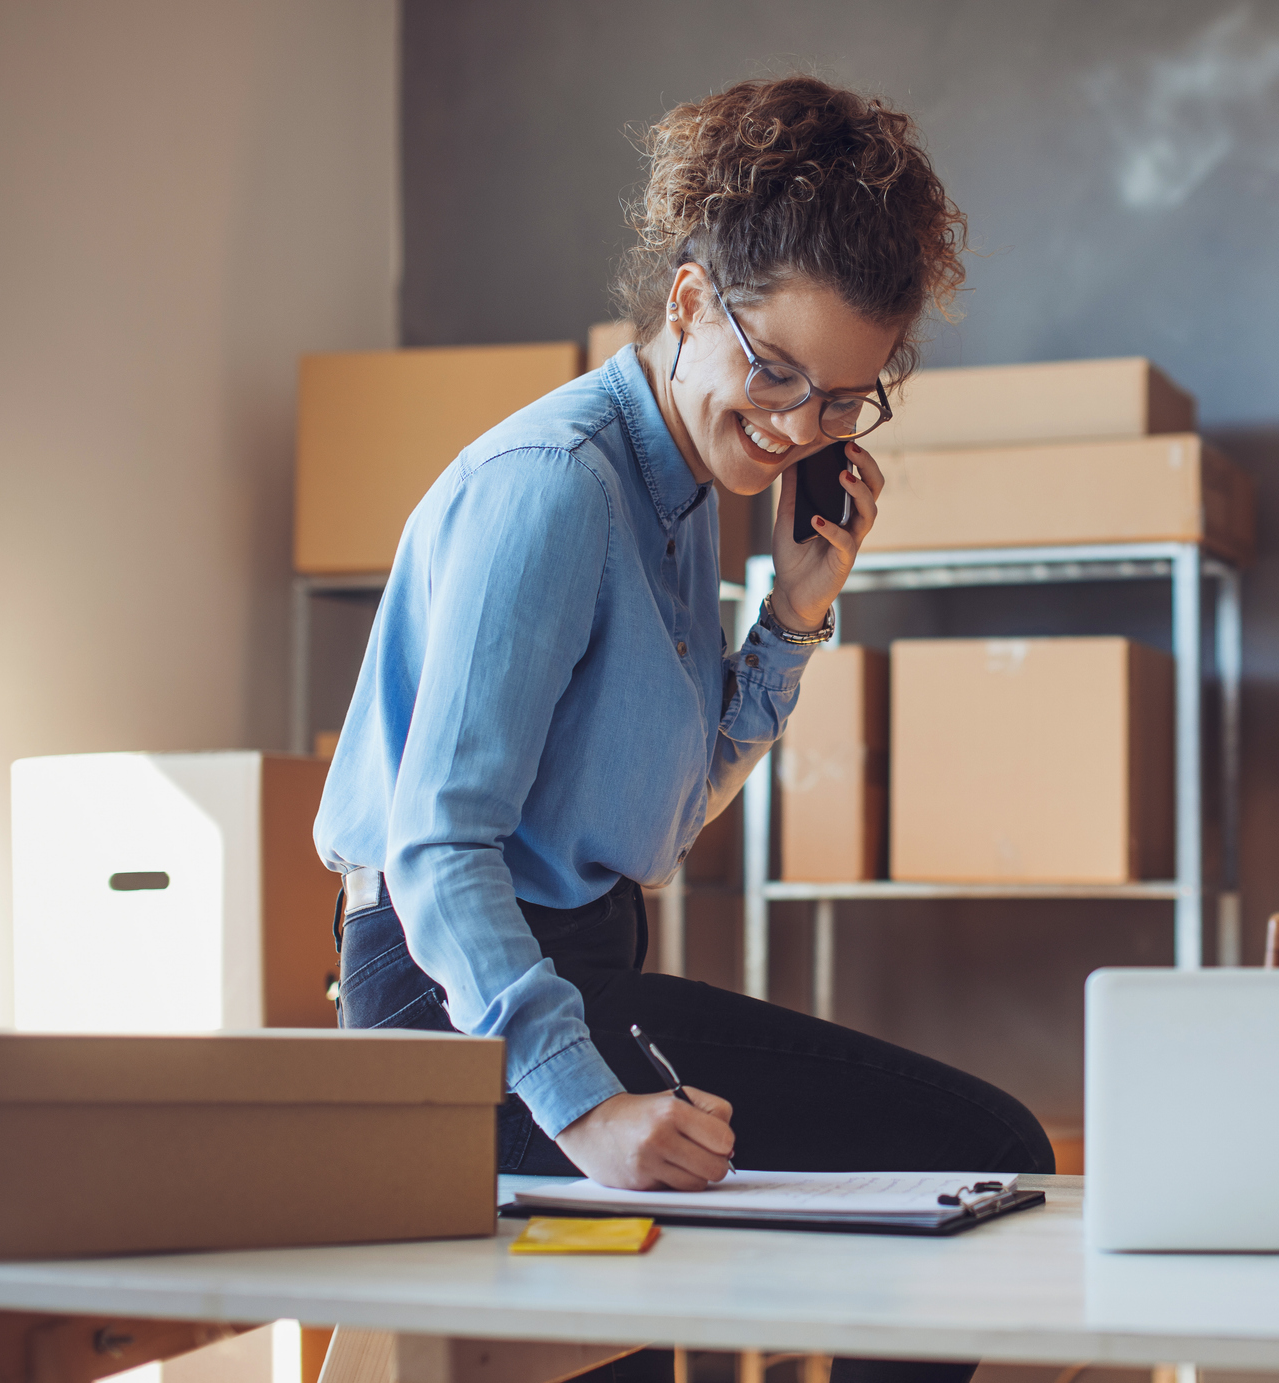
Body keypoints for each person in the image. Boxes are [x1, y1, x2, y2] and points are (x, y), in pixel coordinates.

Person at [312, 73, 1052, 1379]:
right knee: (979, 1148)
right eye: (775, 373)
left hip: (577, 967)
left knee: (949, 1178)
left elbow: (660, 807)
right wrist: (584, 1105)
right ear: (690, 300)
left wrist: (793, 619)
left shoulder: (676, 496)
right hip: (456, 1009)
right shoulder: (552, 490)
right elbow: (436, 847)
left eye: (841, 401)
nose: (793, 428)